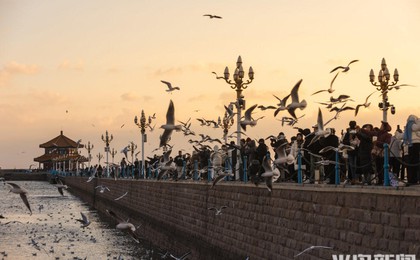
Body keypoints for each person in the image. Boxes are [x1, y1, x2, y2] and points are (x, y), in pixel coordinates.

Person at [403, 115, 420, 185]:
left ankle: (412, 179)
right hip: (415, 144)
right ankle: (414, 179)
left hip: (411, 145)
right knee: (415, 161)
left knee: (412, 162)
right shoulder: (412, 124)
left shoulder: (408, 126)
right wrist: (418, 121)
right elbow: (417, 128)